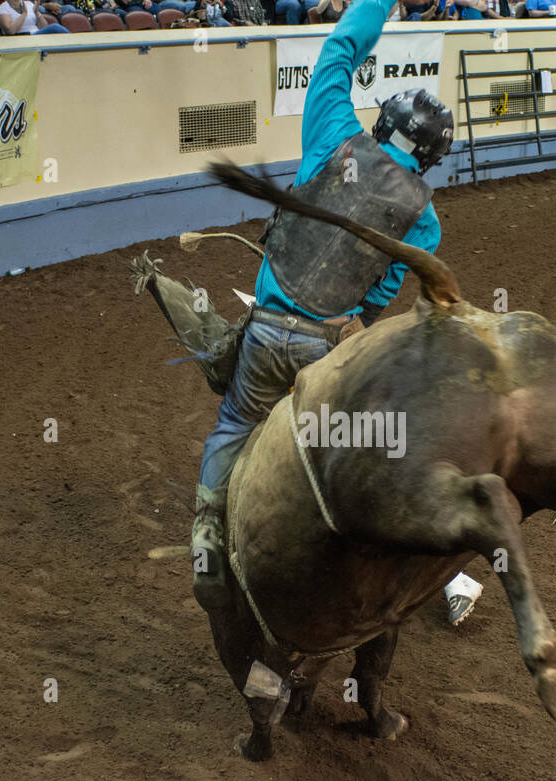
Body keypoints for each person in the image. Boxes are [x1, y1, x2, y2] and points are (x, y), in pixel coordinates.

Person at [191, 0, 484, 624]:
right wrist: (357, 323)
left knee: (235, 423)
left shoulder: (331, 134)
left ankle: (208, 539)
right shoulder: (423, 217)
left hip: (268, 328)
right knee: (372, 450)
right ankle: (438, 570)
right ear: (430, 158)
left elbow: (337, 54)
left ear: (385, 126)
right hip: (329, 346)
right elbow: (382, 295)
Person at [0, 0, 70, 32]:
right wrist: (24, 14)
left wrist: (37, 13)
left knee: (54, 29)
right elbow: (10, 31)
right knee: (55, 27)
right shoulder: (3, 8)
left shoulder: (29, 4)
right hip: (23, 38)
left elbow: (44, 27)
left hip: (37, 37)